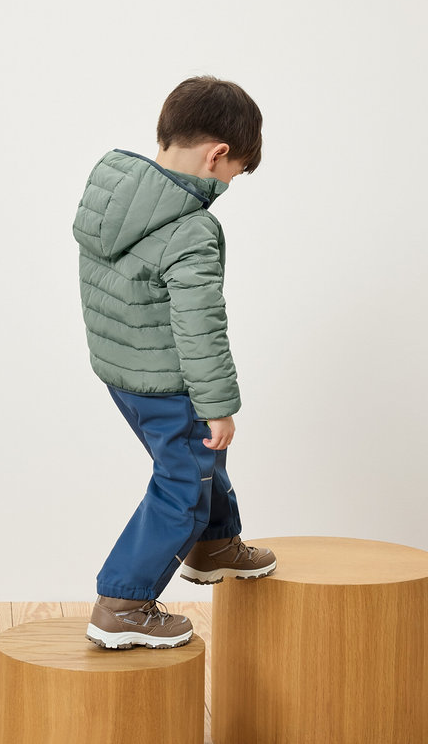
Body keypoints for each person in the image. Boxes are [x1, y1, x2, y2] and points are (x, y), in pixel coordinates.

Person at [72, 75, 277, 650]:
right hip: (167, 379)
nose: (230, 184)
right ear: (217, 155)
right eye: (235, 173)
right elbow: (200, 326)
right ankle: (125, 602)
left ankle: (215, 543)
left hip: (122, 370)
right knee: (182, 482)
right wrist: (218, 407)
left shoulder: (112, 189)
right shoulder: (190, 229)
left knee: (197, 460)